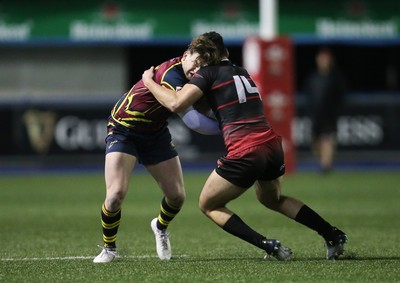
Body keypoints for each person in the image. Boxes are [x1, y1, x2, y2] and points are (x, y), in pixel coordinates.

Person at [142, 31, 347, 261]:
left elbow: (175, 103)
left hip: (246, 151)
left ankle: (268, 245)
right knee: (272, 199)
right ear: (227, 52)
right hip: (272, 146)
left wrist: (149, 81)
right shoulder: (242, 72)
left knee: (208, 205)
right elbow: (222, 104)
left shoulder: (208, 73)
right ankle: (332, 234)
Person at [93, 35, 221, 263]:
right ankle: (109, 248)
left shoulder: (194, 77)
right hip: (125, 129)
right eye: (196, 61)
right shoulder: (171, 75)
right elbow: (192, 120)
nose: (197, 68)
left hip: (154, 133)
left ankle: (160, 227)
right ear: (185, 56)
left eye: (203, 65)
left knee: (177, 197)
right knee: (115, 195)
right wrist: (228, 126)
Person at [305, 47, 346, 173]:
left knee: (327, 138)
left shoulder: (335, 78)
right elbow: (308, 95)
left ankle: (326, 165)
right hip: (316, 115)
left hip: (330, 114)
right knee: (315, 143)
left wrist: (337, 109)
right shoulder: (313, 77)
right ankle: (324, 160)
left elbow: (342, 95)